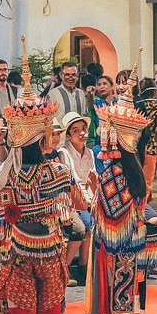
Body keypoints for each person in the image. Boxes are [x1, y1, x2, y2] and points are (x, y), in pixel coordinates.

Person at [0, 42, 81, 314]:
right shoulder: (57, 168)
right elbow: (75, 201)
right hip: (53, 252)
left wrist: (13, 151)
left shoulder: (11, 172)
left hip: (22, 252)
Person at [86, 54, 157, 314]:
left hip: (116, 250)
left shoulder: (114, 173)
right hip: (135, 249)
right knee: (132, 298)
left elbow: (105, 213)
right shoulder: (133, 171)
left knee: (120, 298)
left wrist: (95, 189)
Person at [58, 111, 97, 285]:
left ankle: (84, 266)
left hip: (86, 197)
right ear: (67, 135)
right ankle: (65, 269)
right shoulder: (63, 153)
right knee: (82, 228)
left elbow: (91, 179)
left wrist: (92, 199)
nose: (82, 133)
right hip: (70, 199)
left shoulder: (89, 152)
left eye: (84, 128)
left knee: (93, 226)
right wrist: (87, 200)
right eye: (76, 130)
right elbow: (71, 181)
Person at [136, 77, 157, 200]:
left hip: (135, 147)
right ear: (155, 92)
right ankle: (142, 212)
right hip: (150, 148)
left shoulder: (136, 105)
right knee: (147, 183)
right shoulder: (156, 109)